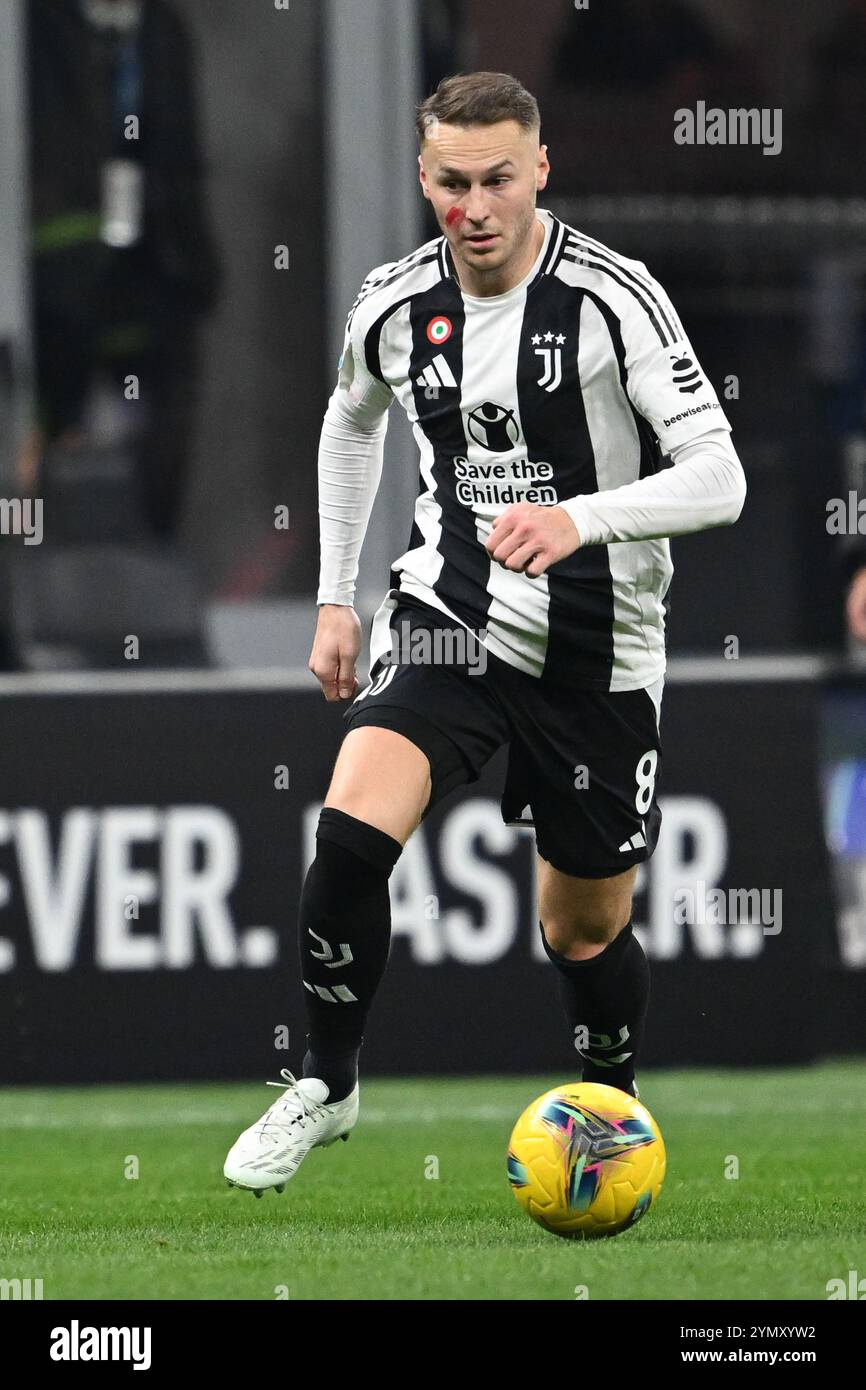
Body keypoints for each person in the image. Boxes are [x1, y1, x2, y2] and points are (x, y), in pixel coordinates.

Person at [224, 71, 746, 1195]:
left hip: (596, 649)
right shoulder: (396, 302)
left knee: (579, 932)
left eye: (497, 179)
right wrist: (333, 593)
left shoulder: (614, 298)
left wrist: (577, 518)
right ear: (424, 180)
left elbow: (721, 476)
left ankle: (611, 1105)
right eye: (452, 182)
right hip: (447, 617)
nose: (475, 205)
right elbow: (348, 425)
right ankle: (324, 1082)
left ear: (539, 171)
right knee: (348, 839)